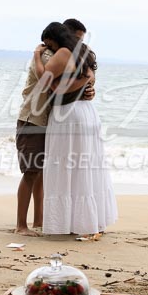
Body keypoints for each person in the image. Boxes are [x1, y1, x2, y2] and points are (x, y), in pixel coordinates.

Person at [36, 22, 117, 236]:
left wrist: (37, 57)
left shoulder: (63, 53)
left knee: (64, 167)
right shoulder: (85, 52)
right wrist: (84, 84)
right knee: (86, 167)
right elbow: (89, 77)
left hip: (67, 113)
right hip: (87, 112)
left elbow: (45, 82)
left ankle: (67, 223)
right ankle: (88, 221)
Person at [14, 19, 93, 236]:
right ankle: (21, 225)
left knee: (40, 173)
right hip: (32, 120)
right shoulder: (47, 55)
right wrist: (84, 81)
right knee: (31, 173)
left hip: (45, 120)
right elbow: (50, 82)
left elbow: (82, 74)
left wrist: (87, 87)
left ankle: (38, 221)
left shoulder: (60, 55)